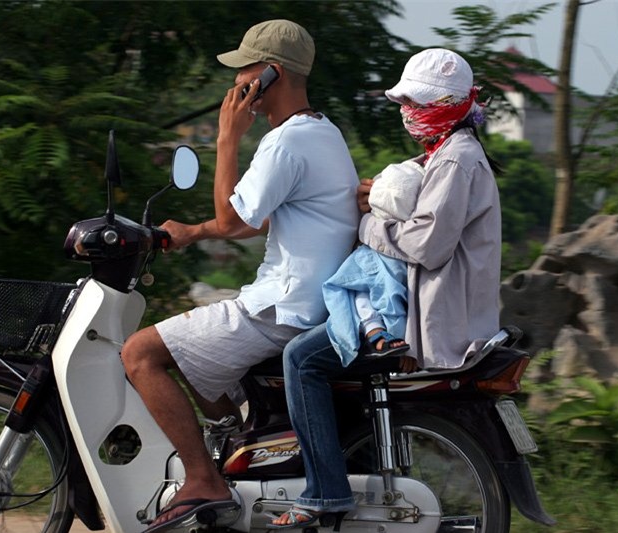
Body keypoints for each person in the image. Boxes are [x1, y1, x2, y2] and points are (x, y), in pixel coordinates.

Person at [120, 19, 360, 531]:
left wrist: (228, 138)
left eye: (244, 71)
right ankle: (239, 449)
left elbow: (234, 221)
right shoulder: (323, 132)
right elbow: (261, 219)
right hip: (310, 300)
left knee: (140, 352)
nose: (236, 83)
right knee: (191, 347)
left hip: (284, 306)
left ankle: (203, 481)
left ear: (271, 73)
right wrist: (192, 232)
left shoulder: (284, 143)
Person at [270, 48, 502, 529]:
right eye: (404, 102)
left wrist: (369, 224)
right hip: (424, 304)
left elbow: (427, 245)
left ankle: (326, 491)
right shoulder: (444, 153)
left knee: (301, 359)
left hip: (429, 317)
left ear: (446, 104)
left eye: (415, 102)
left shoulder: (456, 159)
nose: (406, 112)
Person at [322, 160, 425, 366]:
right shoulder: (408, 245)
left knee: (297, 357)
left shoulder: (379, 249)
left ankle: (375, 333)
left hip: (388, 332)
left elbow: (389, 298)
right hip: (399, 323)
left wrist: (405, 344)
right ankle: (374, 331)